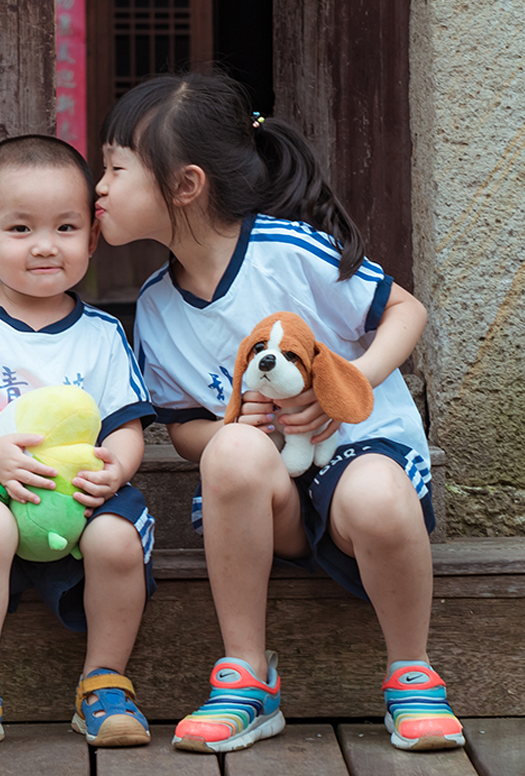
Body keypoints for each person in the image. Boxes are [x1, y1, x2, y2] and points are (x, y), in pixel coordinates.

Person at [94, 72, 465, 754]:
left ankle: (412, 671)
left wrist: (348, 385)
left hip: (360, 469)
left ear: (186, 185)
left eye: (116, 169)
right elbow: (181, 431)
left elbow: (404, 310)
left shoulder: (287, 251)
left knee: (378, 492)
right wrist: (246, 428)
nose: (100, 188)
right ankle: (248, 679)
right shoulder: (153, 308)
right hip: (274, 505)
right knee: (228, 449)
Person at [0, 135, 156, 755]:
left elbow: (125, 423)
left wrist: (116, 469)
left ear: (91, 239)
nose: (45, 245)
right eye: (20, 228)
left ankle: (103, 683)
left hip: (80, 497)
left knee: (116, 538)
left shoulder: (103, 332)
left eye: (66, 227)